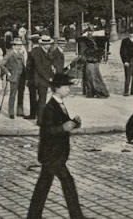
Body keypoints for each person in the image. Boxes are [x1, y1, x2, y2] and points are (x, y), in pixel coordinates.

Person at [27, 73, 85, 219]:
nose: (68, 89)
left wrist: (74, 123)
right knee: (67, 182)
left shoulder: (59, 104)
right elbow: (47, 131)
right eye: (66, 86)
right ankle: (76, 216)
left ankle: (33, 216)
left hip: (54, 153)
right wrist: (64, 128)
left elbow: (62, 124)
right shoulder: (49, 108)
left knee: (43, 184)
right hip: (52, 154)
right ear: (57, 88)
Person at [26, 35, 56, 121]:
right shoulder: (37, 52)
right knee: (38, 99)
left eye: (50, 44)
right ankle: (37, 117)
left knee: (42, 100)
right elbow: (39, 67)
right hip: (37, 79)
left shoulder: (48, 52)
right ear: (42, 44)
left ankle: (39, 118)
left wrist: (52, 75)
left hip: (42, 80)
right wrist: (48, 78)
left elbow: (49, 67)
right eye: (47, 44)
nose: (49, 46)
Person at [0, 37, 27, 118]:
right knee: (13, 95)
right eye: (17, 45)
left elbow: (22, 65)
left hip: (22, 76)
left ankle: (20, 111)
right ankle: (11, 112)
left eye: (20, 45)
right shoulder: (10, 54)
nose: (19, 47)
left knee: (21, 94)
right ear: (13, 46)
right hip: (14, 76)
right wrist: (7, 72)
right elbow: (1, 64)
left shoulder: (21, 54)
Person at [79, 32, 109, 98]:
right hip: (90, 61)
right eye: (89, 34)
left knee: (94, 77)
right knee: (91, 77)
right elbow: (83, 53)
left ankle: (95, 91)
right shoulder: (84, 43)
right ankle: (91, 92)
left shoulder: (94, 42)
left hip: (93, 61)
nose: (90, 35)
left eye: (91, 33)